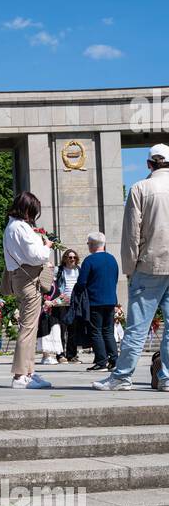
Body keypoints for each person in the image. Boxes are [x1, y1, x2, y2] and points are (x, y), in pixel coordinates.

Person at [94, 144, 169, 392]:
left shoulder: (140, 188)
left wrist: (129, 267)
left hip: (150, 264)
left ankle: (122, 376)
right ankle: (167, 378)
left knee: (137, 326)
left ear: (149, 164)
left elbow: (131, 233)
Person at [1, 191, 55, 389]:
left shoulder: (11, 227)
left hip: (20, 276)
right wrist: (46, 246)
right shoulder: (21, 228)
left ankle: (29, 371)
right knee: (28, 328)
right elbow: (36, 255)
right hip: (29, 278)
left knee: (30, 328)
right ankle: (20, 375)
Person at [74, 232, 119, 372]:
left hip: (95, 301)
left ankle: (101, 362)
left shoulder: (89, 260)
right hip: (111, 300)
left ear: (92, 245)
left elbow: (81, 282)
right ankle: (114, 360)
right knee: (108, 331)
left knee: (96, 331)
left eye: (88, 244)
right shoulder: (112, 259)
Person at [40, 248, 80, 365]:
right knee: (61, 330)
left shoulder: (78, 270)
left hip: (74, 303)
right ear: (65, 258)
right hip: (61, 302)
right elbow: (51, 283)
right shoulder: (59, 270)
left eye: (74, 257)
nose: (72, 259)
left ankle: (72, 355)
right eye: (70, 257)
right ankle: (60, 355)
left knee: (73, 330)